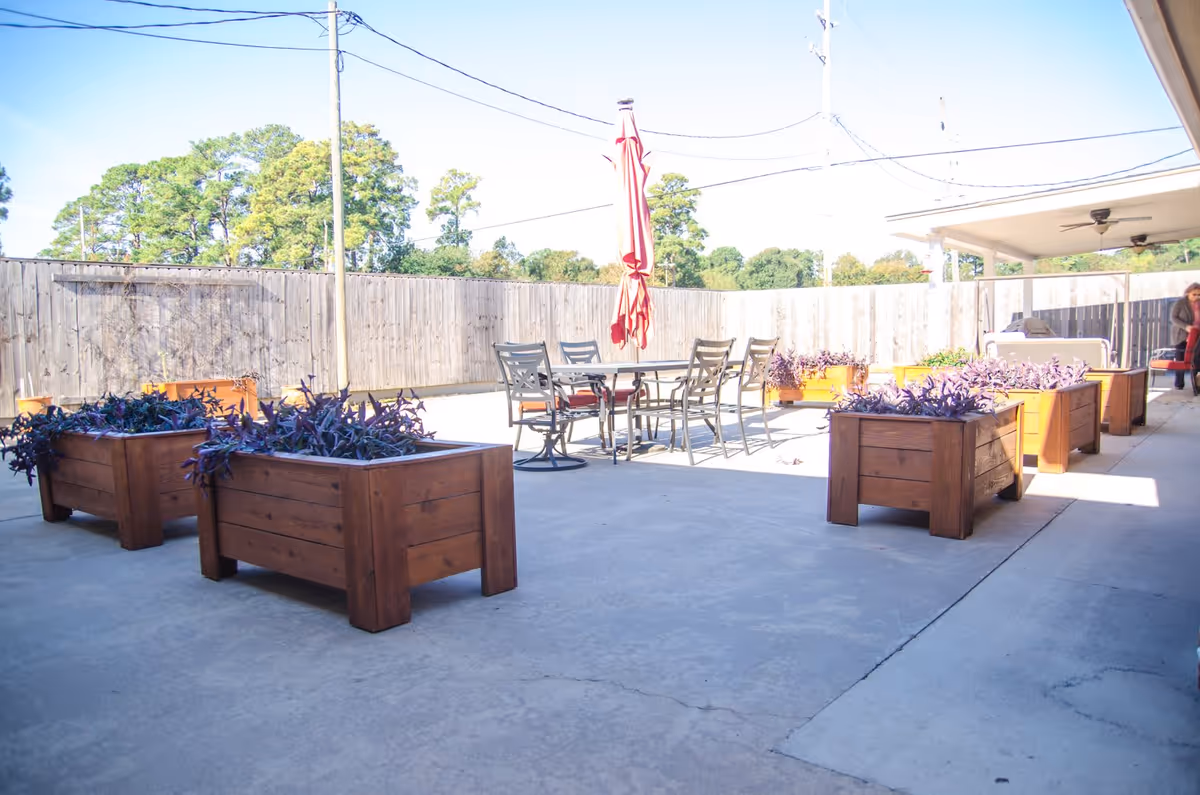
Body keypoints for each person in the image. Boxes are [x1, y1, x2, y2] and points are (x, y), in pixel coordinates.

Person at [1169, 282, 1200, 389]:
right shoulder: (1181, 303)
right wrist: (1186, 326)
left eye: (1198, 295)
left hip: (1196, 335)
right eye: (1194, 294)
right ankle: (1179, 383)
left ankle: (1196, 383)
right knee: (1180, 359)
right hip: (1181, 335)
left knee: (1196, 359)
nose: (1196, 297)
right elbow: (1174, 317)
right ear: (1188, 293)